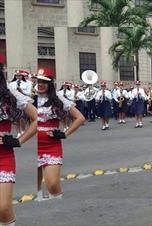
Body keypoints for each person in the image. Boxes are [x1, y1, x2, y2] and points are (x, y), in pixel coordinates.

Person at [36, 68, 85, 201]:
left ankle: (57, 206)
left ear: (50, 83)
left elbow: (80, 118)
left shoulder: (58, 99)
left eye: (44, 82)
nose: (40, 84)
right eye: (38, 81)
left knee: (52, 184)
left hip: (51, 147)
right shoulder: (27, 99)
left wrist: (64, 134)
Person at [0, 56, 37, 226]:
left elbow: (37, 118)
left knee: (4, 207)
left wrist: (18, 141)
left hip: (3, 156)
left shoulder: (9, 93)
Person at [8, 70, 31, 138]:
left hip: (24, 102)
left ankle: (23, 130)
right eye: (17, 75)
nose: (18, 77)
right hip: (15, 102)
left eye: (20, 75)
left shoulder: (27, 84)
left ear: (22, 76)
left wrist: (22, 91)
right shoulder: (12, 84)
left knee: (23, 117)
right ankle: (19, 131)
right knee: (17, 118)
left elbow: (29, 93)